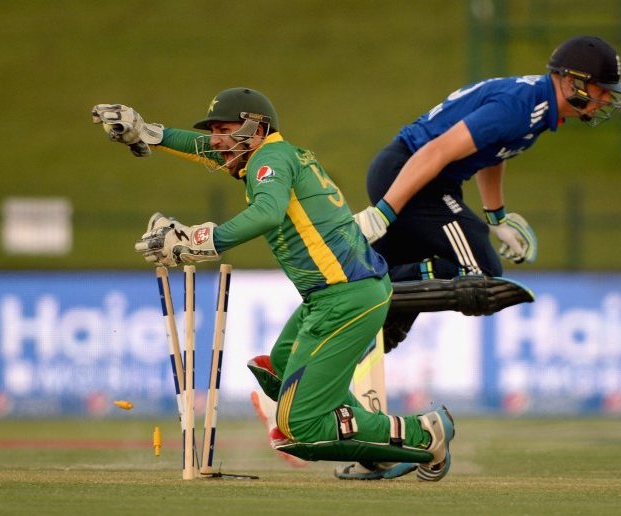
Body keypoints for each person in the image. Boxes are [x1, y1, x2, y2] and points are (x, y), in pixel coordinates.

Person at [91, 87, 455, 481]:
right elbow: (203, 148)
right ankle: (378, 449)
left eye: (224, 129)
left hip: (348, 297)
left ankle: (424, 435)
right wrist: (148, 132)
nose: (216, 140)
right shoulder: (269, 155)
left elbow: (266, 213)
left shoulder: (271, 157)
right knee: (277, 370)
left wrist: (201, 240)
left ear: (257, 126)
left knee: (299, 429)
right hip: (331, 296)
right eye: (214, 130)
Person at [352, 35, 621, 349]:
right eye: (601, 89)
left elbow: (493, 153)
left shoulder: (536, 106)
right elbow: (436, 151)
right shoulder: (520, 108)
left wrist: (497, 216)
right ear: (572, 80)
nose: (606, 98)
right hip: (411, 176)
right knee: (480, 272)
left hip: (418, 179)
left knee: (419, 280)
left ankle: (374, 327)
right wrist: (384, 211)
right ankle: (375, 291)